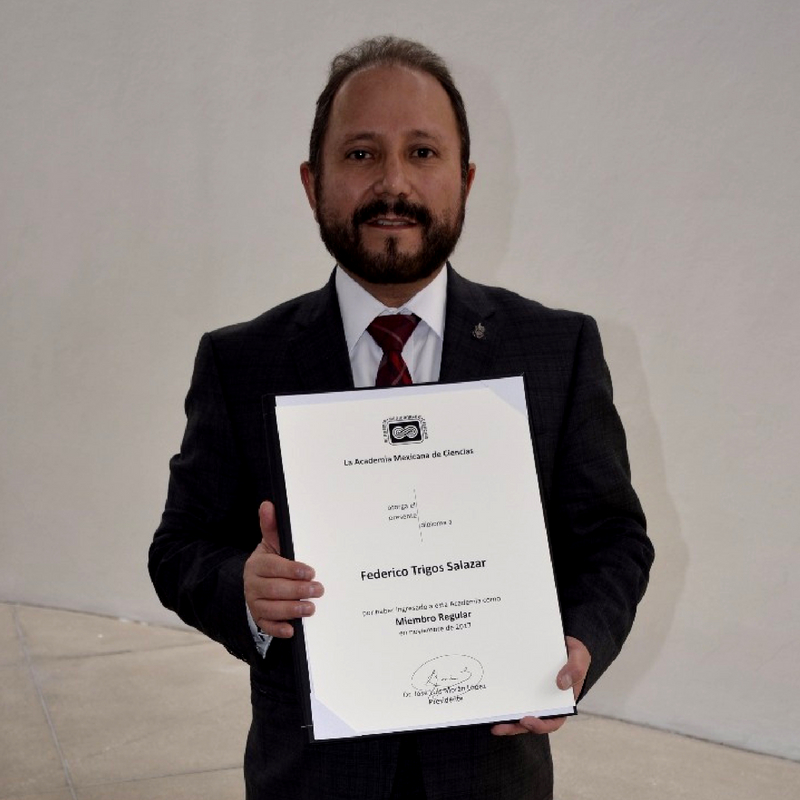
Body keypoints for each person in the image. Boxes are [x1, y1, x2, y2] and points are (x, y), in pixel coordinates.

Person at [149, 35, 654, 800]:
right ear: (312, 182)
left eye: (423, 152)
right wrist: (243, 589)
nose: (393, 183)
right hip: (310, 780)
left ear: (466, 180)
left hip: (492, 777)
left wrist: (579, 642)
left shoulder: (558, 350)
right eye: (360, 155)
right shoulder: (240, 362)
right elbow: (179, 548)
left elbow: (615, 540)